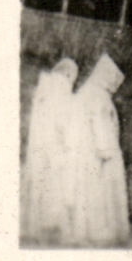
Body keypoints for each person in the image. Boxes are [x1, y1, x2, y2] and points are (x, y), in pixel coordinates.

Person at [69, 54, 131, 245]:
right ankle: (101, 232)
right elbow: (102, 127)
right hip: (97, 153)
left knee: (85, 192)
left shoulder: (84, 92)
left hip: (81, 152)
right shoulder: (100, 97)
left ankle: (85, 231)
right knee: (100, 193)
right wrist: (107, 151)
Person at [21, 56, 78, 243]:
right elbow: (63, 121)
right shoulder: (61, 88)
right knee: (58, 184)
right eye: (72, 77)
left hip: (41, 145)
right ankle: (55, 226)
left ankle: (40, 225)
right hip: (55, 144)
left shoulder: (45, 87)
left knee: (42, 182)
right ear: (68, 74)